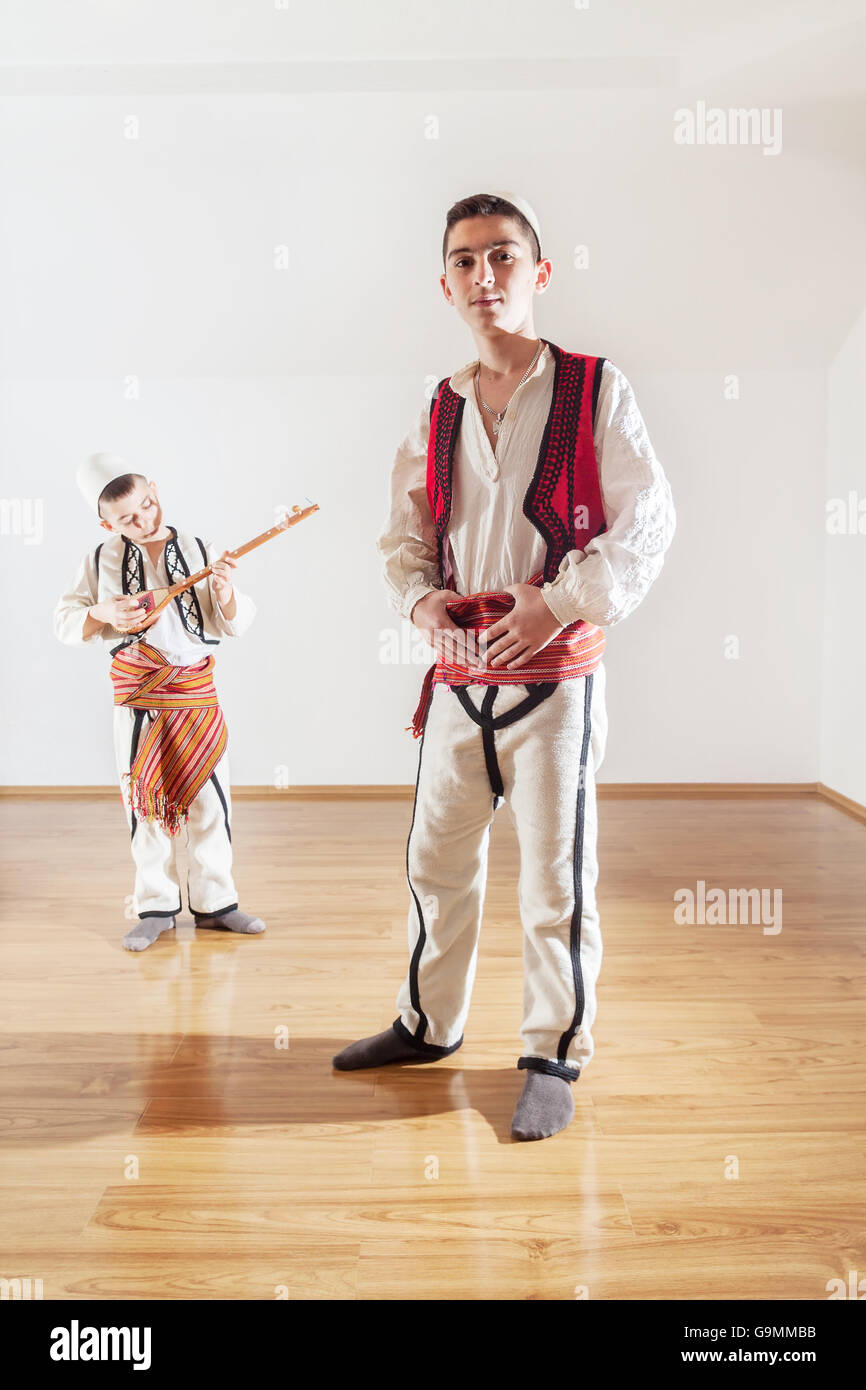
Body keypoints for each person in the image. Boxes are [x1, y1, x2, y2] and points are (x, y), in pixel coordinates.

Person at [333, 190, 676, 1141]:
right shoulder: (439, 407)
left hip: (556, 682)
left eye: (503, 257)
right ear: (444, 283)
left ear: (539, 273)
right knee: (433, 863)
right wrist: (421, 601)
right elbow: (404, 533)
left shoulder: (596, 388)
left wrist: (555, 600)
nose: (485, 276)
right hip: (456, 680)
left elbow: (647, 526)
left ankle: (552, 1051)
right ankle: (427, 1023)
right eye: (465, 261)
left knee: (556, 881)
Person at [53, 454, 267, 951]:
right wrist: (103, 611)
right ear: (107, 522)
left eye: (148, 504)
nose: (145, 520)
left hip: (195, 693)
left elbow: (236, 620)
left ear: (154, 488)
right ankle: (154, 907)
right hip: (139, 701)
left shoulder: (199, 548)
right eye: (128, 518)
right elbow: (65, 621)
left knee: (210, 801)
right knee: (145, 801)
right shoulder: (97, 560)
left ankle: (218, 904)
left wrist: (225, 589)